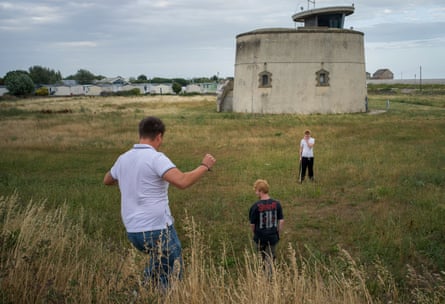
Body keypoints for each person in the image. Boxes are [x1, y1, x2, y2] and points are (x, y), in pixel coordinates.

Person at [103, 116, 216, 289]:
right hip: (157, 229)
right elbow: (182, 181)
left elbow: (107, 180)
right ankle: (143, 291)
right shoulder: (156, 158)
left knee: (160, 267)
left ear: (140, 134)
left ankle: (144, 291)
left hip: (133, 232)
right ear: (159, 136)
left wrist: (130, 177)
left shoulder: (123, 158)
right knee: (172, 274)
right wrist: (204, 166)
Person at [249, 179, 284, 274]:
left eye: (256, 191)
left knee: (261, 258)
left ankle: (263, 277)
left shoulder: (255, 206)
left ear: (260, 191)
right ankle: (271, 277)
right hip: (272, 236)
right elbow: (281, 221)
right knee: (271, 257)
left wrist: (255, 233)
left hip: (260, 237)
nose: (256, 193)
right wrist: (278, 233)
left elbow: (252, 224)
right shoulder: (277, 204)